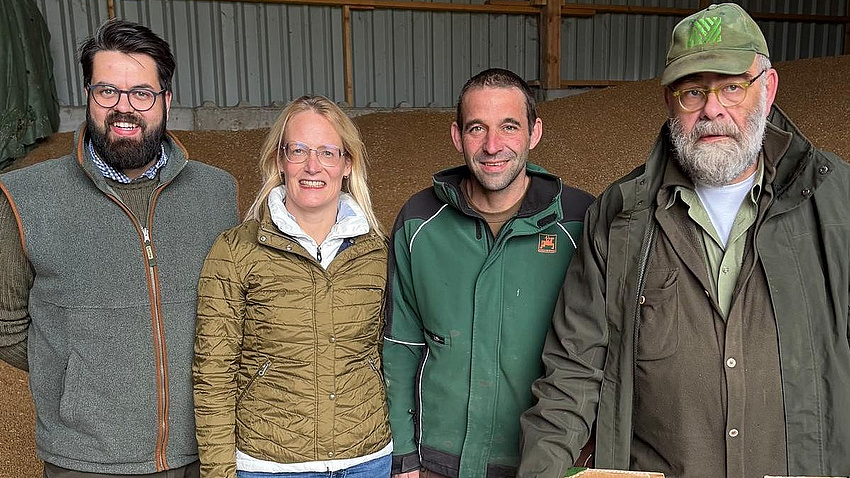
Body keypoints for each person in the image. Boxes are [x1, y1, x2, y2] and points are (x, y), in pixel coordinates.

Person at [518, 3, 850, 477]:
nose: (712, 108)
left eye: (732, 87)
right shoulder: (621, 216)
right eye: (693, 92)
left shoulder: (837, 204)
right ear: (670, 100)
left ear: (769, 87)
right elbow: (572, 373)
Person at [0, 19, 238, 477]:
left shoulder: (216, 193)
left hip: (204, 451)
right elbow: (5, 323)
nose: (123, 108)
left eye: (142, 93)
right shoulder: (25, 197)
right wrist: (78, 372)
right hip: (86, 461)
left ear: (167, 100)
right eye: (107, 91)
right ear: (88, 94)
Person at [383, 68, 594, 478]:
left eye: (509, 127)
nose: (493, 146)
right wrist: (405, 456)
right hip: (437, 461)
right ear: (457, 136)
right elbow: (400, 343)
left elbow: (600, 355)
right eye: (477, 128)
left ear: (534, 132)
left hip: (541, 462)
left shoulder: (580, 223)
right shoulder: (419, 221)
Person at [193, 95, 392, 478]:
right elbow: (213, 373)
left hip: (367, 460)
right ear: (280, 160)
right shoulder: (235, 251)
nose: (312, 165)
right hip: (270, 466)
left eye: (327, 152)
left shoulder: (377, 252)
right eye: (298, 150)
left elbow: (391, 354)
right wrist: (218, 472)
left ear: (347, 163)